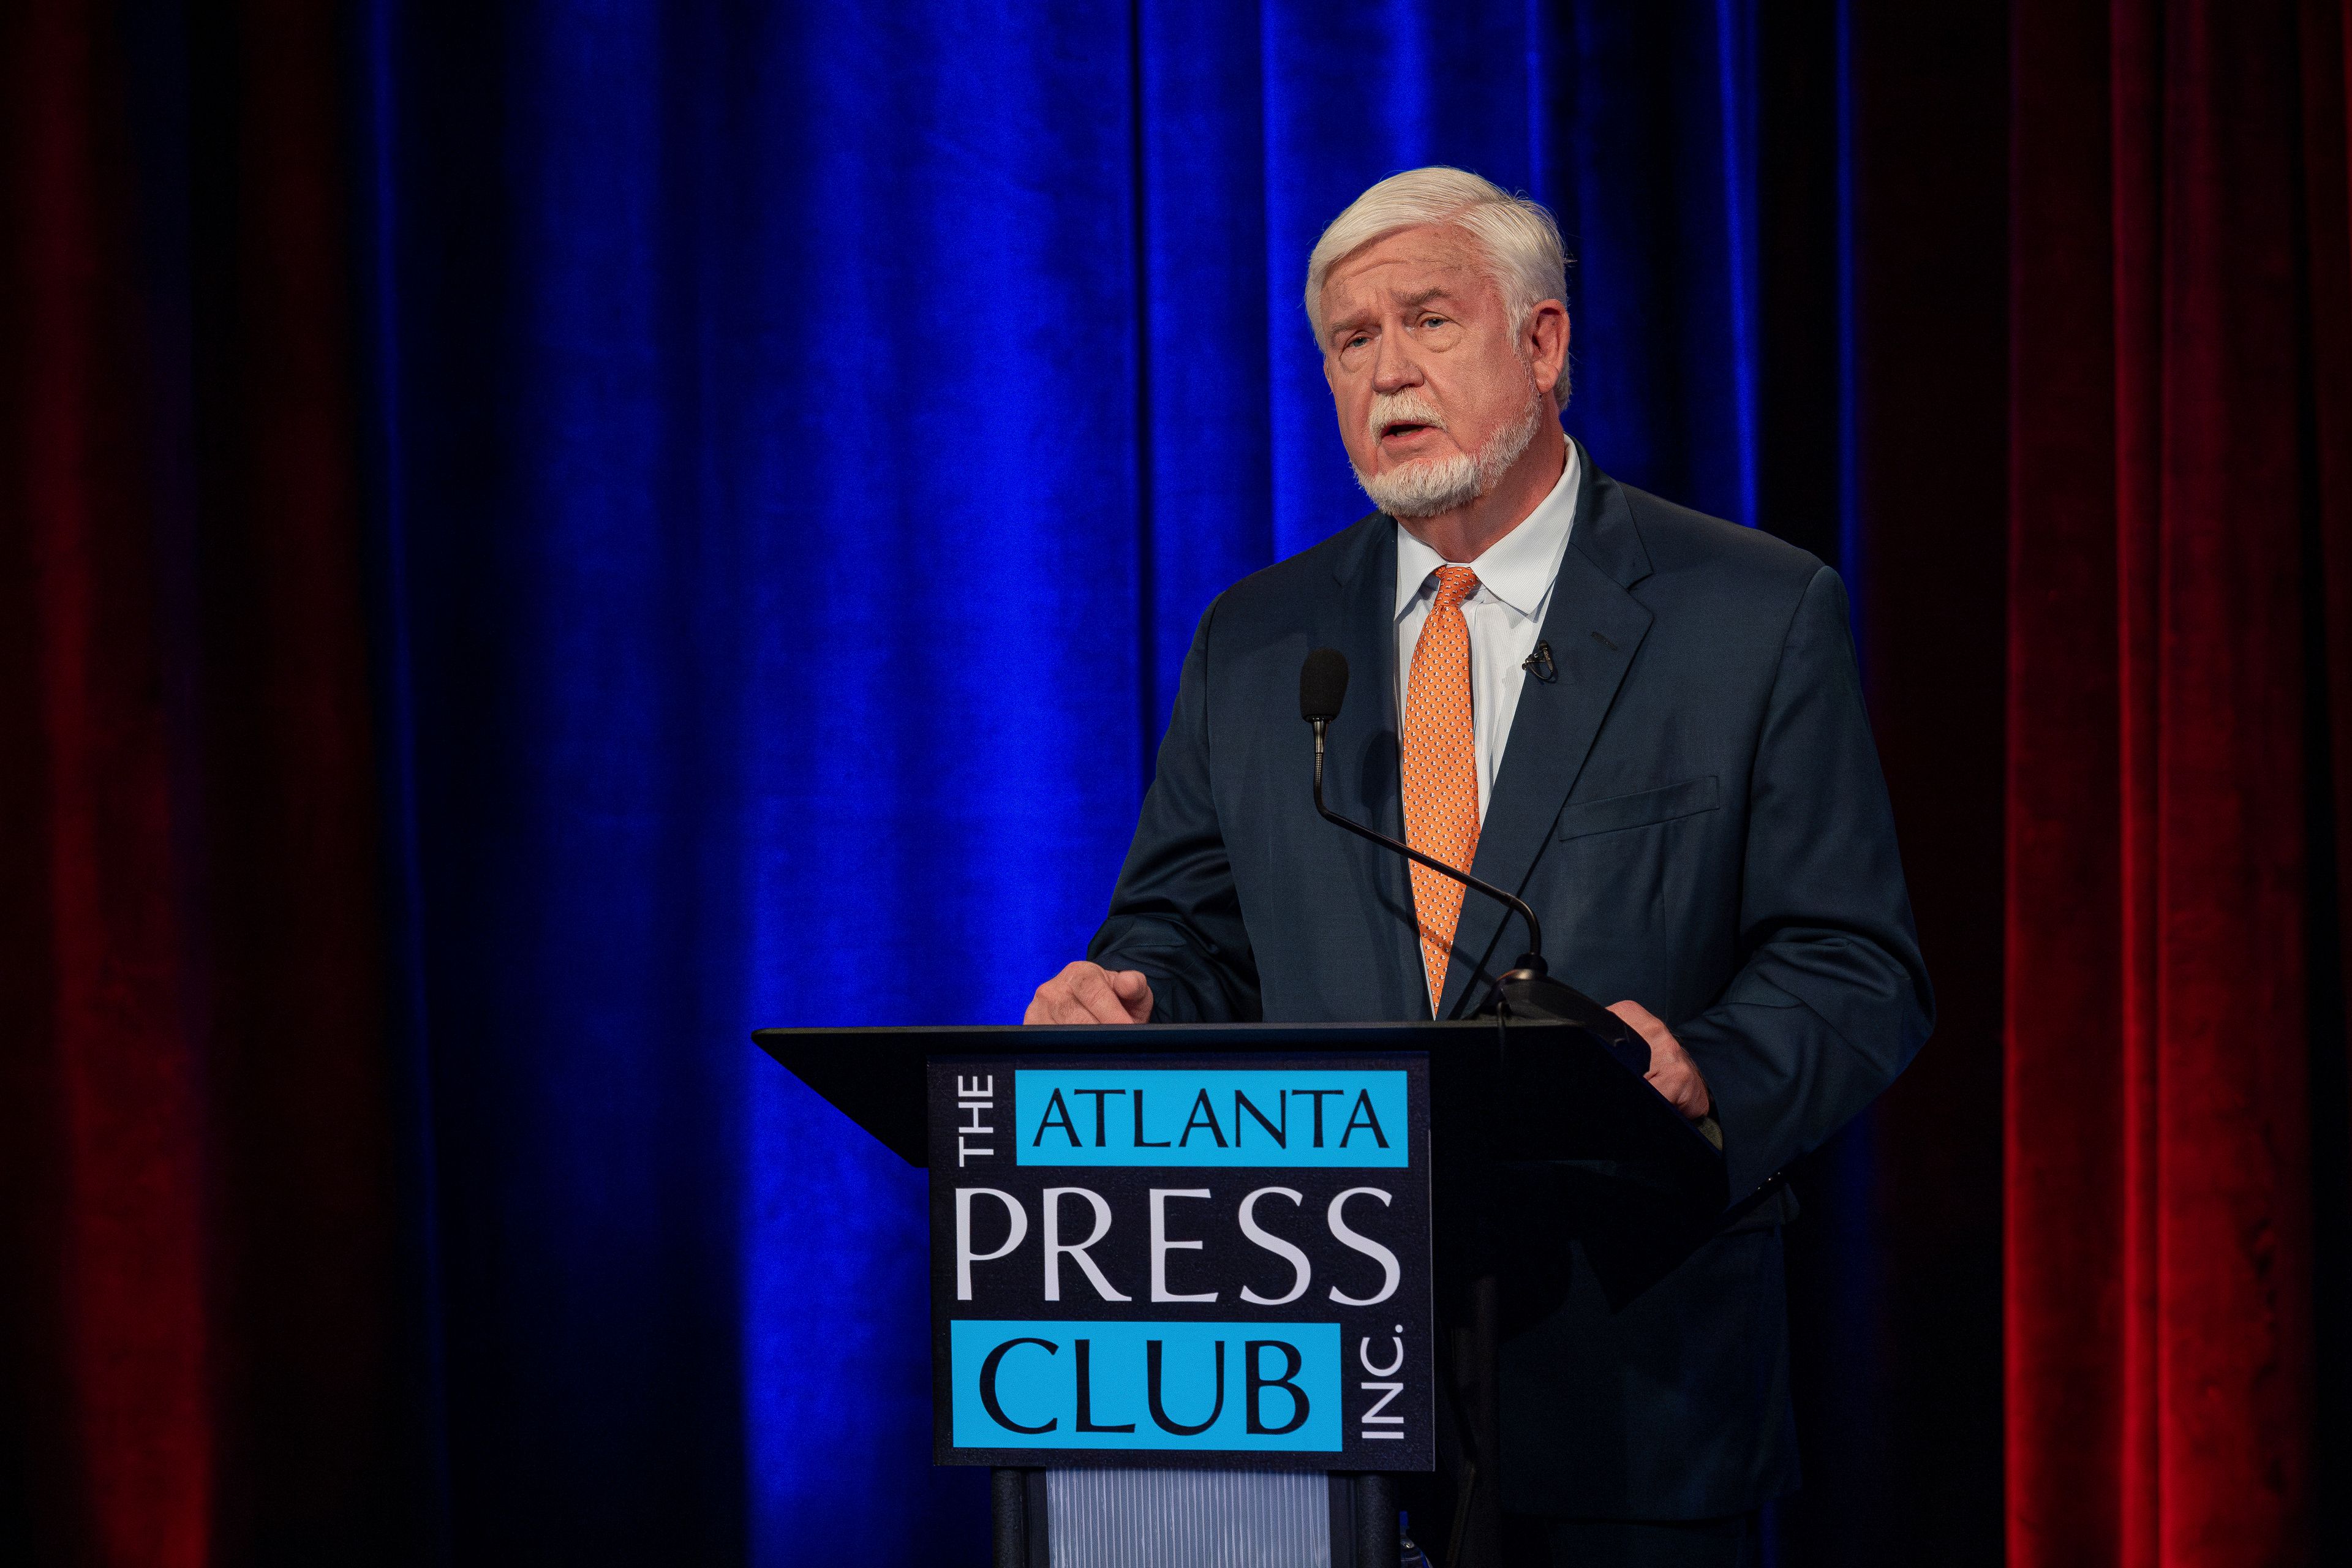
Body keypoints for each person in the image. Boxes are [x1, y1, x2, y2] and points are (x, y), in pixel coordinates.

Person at [1025, 167, 1932, 1568]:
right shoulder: (1260, 643)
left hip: (1633, 1371)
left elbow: (1854, 961)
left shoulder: (1749, 613)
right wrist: (1132, 995)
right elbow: (1187, 928)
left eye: (1429, 320)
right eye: (1349, 340)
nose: (1386, 371)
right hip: (1310, 1374)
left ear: (1544, 344)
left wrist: (1709, 1069)